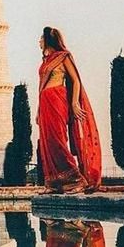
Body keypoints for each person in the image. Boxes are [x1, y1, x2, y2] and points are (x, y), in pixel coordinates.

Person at [36, 27, 102, 193]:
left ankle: (76, 180)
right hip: (45, 102)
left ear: (48, 40)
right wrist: (38, 110)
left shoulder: (63, 57)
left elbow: (76, 81)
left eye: (41, 39)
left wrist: (74, 103)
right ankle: (54, 183)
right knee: (47, 142)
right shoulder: (45, 62)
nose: (39, 41)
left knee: (58, 140)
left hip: (58, 100)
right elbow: (41, 87)